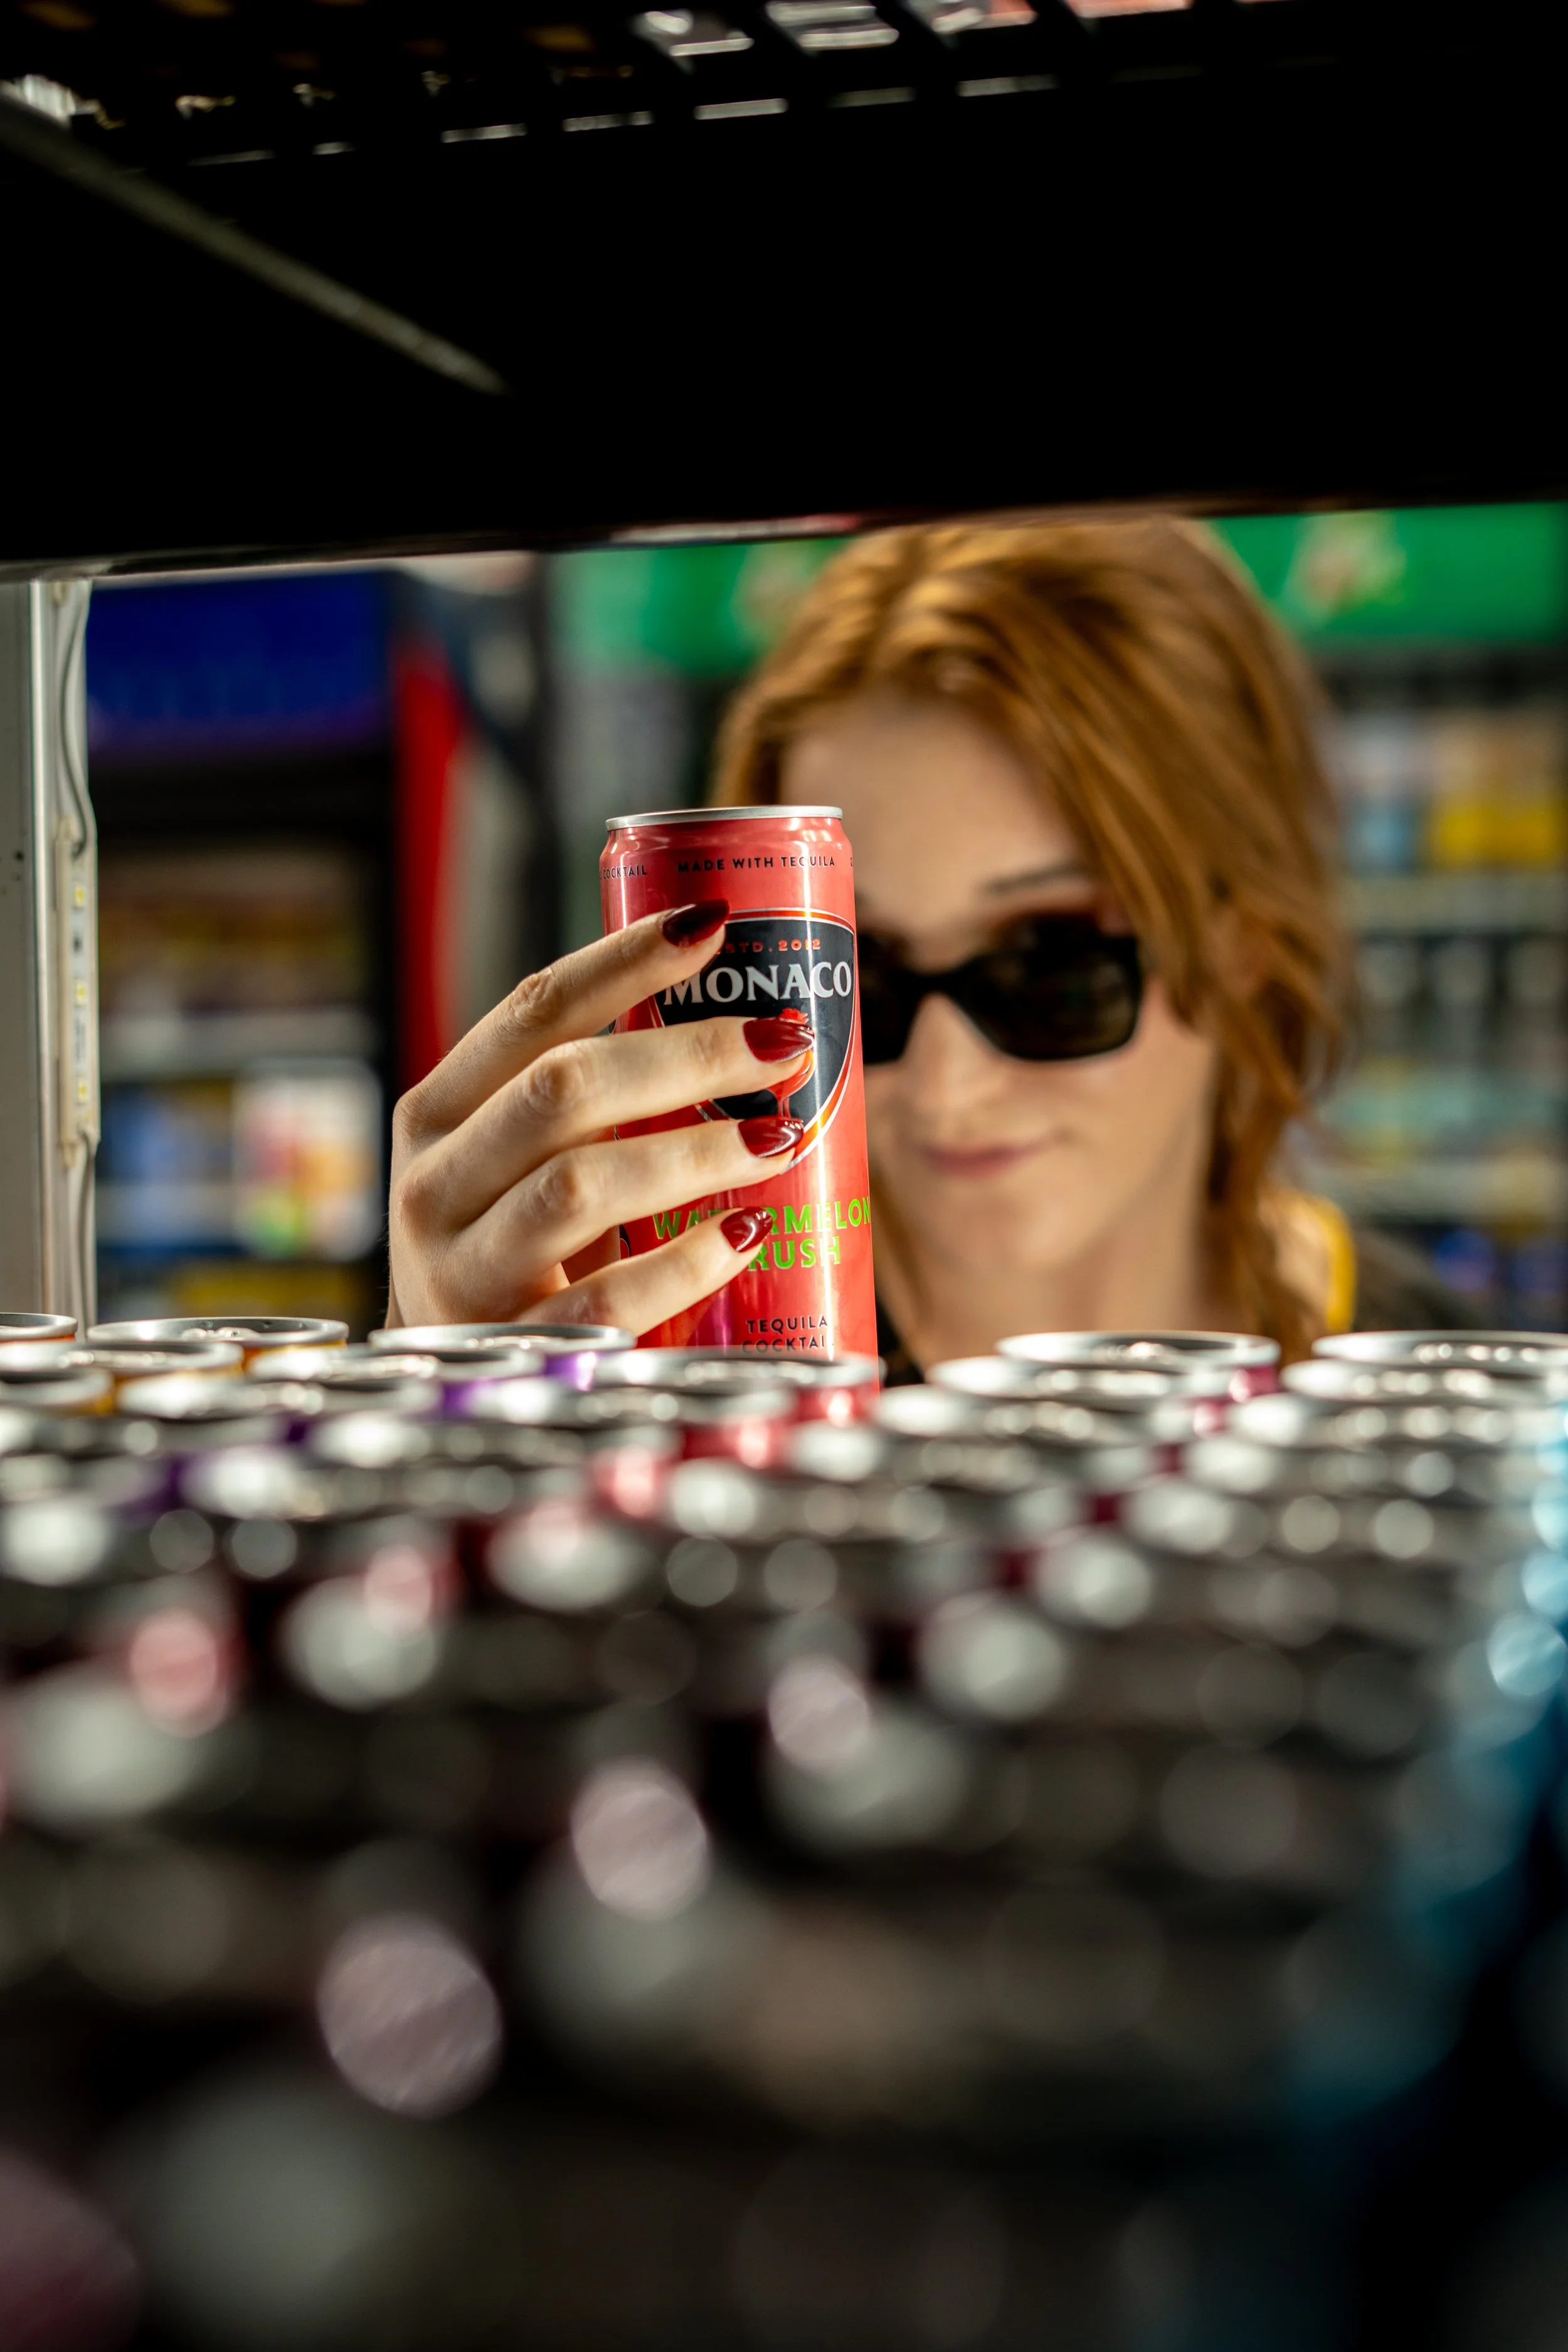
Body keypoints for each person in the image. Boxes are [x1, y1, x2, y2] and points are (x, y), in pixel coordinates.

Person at [387, 517, 1473, 1366]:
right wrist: (461, 1439)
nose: (948, 1085)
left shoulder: (1446, 1389)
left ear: (1244, 943)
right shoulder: (661, 1367)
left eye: (1049, 962)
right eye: (852, 975)